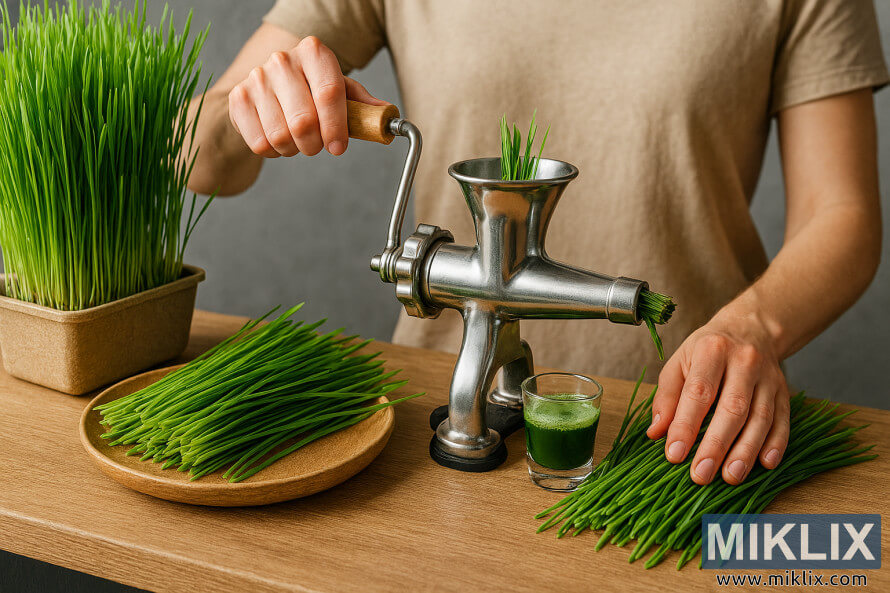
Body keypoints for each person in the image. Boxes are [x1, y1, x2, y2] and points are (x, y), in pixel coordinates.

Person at [184, 1, 888, 486]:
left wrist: (753, 327)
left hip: (687, 429)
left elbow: (844, 214)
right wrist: (243, 113)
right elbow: (199, 155)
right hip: (428, 452)